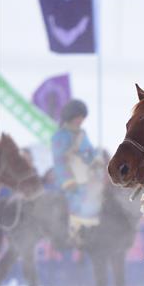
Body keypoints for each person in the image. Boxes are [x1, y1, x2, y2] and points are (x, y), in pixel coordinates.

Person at [51, 99, 102, 231]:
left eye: (82, 117)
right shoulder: (59, 136)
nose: (81, 120)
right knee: (79, 201)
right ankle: (76, 232)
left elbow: (90, 153)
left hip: (87, 176)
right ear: (71, 116)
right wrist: (68, 182)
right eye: (78, 116)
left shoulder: (82, 134)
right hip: (69, 179)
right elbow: (59, 161)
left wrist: (97, 159)